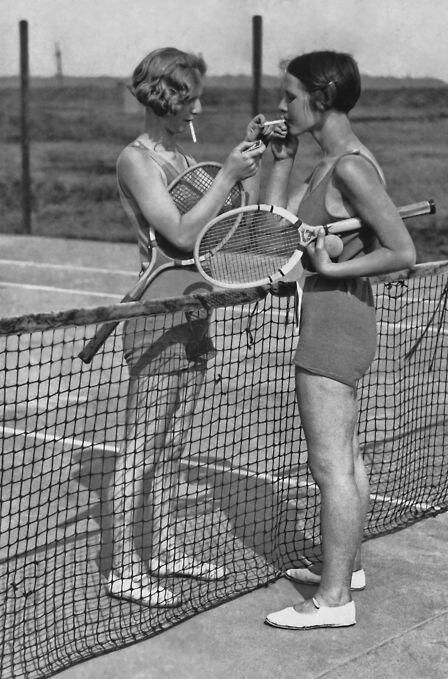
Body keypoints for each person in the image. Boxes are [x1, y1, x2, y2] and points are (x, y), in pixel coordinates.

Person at [261, 50, 417, 629]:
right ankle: (346, 568)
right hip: (339, 315)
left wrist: (327, 269)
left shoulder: (351, 166)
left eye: (290, 95)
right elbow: (274, 227)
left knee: (330, 467)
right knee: (346, 459)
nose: (282, 105)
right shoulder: (331, 161)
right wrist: (282, 159)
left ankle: (332, 601)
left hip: (335, 320)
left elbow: (401, 253)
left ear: (319, 99)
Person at [106, 47, 265, 607]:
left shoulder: (176, 153)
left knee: (172, 445)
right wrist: (225, 173)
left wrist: (246, 165)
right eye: (191, 95)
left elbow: (224, 227)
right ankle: (124, 567)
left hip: (197, 311)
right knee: (141, 448)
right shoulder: (137, 159)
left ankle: (167, 548)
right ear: (167, 98)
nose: (199, 104)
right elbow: (176, 233)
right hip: (156, 317)